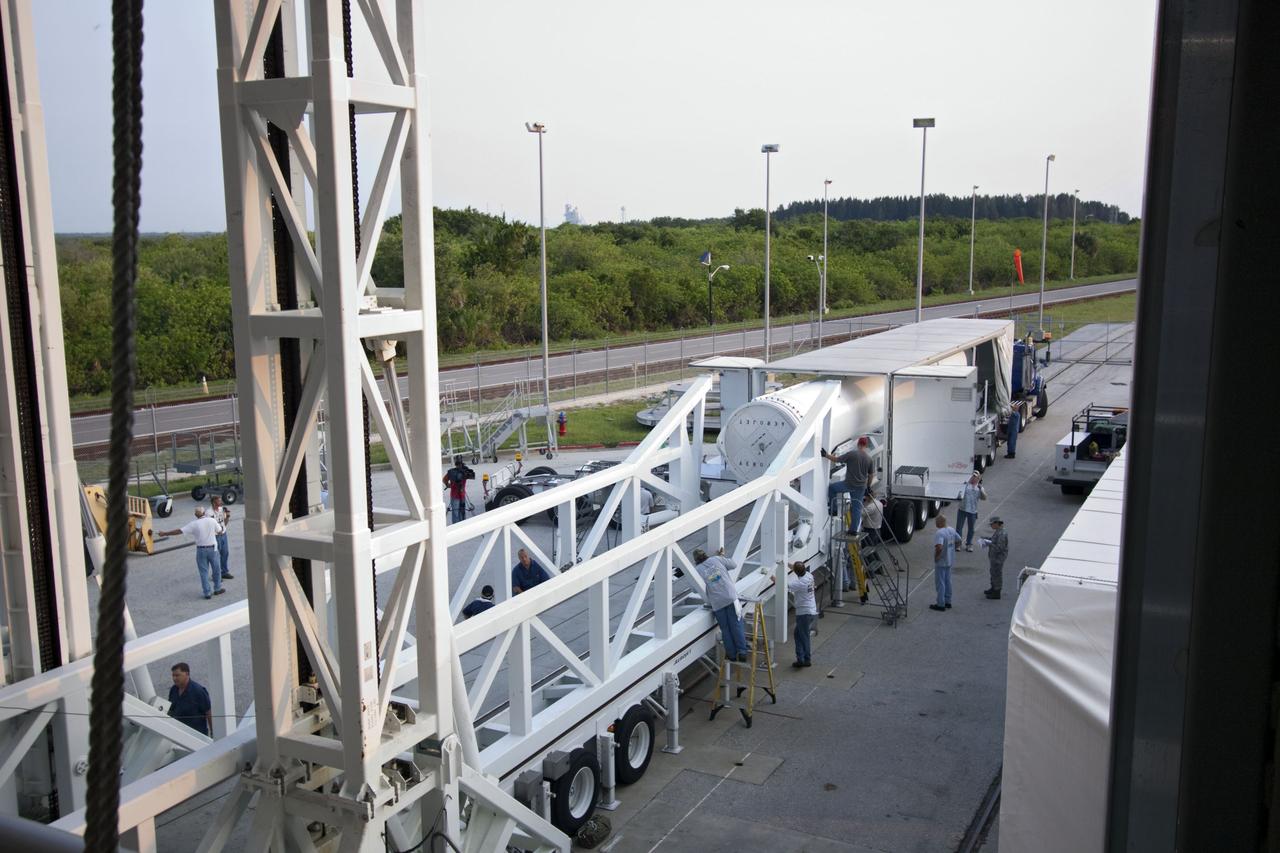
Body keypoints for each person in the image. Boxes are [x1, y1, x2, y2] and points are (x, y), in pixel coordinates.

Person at [693, 546, 749, 662]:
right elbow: (733, 565)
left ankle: (732, 655)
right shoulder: (716, 559)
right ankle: (742, 652)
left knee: (725, 629)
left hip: (717, 603)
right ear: (705, 554)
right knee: (736, 625)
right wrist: (721, 556)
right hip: (730, 597)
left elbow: (694, 589)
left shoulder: (697, 570)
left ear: (696, 560)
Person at [158, 507, 226, 600]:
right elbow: (220, 530)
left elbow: (179, 531)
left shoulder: (193, 524)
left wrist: (165, 533)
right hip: (213, 549)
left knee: (203, 572)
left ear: (195, 515)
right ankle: (217, 588)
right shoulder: (212, 520)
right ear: (204, 513)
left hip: (201, 550)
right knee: (216, 569)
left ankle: (207, 593)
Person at [822, 436, 874, 534]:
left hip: (848, 484)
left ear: (858, 444)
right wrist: (868, 486)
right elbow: (871, 475)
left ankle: (834, 510)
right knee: (857, 509)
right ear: (866, 445)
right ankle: (853, 530)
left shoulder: (852, 454)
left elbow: (837, 460)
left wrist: (825, 455)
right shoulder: (869, 459)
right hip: (860, 487)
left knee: (832, 488)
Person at [167, 662, 212, 736]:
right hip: (178, 733)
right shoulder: (173, 690)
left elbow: (208, 712)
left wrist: (213, 732)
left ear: (187, 674)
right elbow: (170, 710)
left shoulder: (198, 691)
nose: (174, 678)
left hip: (197, 735)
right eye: (173, 675)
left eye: (177, 675)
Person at [929, 514, 963, 612]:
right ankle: (948, 601)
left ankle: (940, 604)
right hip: (950, 559)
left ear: (940, 522)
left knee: (940, 583)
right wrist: (953, 549)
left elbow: (939, 547)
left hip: (942, 561)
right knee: (948, 581)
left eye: (936, 522)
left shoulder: (940, 533)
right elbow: (959, 540)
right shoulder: (951, 530)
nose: (935, 523)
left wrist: (937, 557)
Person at [786, 561, 817, 668]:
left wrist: (770, 576)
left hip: (804, 613)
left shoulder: (800, 583)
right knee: (798, 634)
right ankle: (801, 658)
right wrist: (784, 562)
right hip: (810, 610)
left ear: (796, 572)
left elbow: (784, 585)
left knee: (803, 636)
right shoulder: (809, 575)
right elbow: (795, 568)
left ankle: (805, 659)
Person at [956, 472, 988, 552]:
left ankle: (969, 544)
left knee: (971, 529)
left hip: (973, 511)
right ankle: (958, 544)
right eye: (972, 476)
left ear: (978, 478)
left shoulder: (979, 488)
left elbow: (984, 498)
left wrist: (981, 490)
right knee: (959, 527)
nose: (973, 478)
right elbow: (958, 493)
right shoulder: (965, 485)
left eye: (975, 477)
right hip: (962, 509)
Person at [981, 517, 1010, 599]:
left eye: (992, 524)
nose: (991, 526)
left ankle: (997, 592)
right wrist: (987, 539)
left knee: (997, 573)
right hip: (994, 557)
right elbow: (995, 541)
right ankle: (993, 588)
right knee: (993, 572)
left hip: (998, 558)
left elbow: (999, 548)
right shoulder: (999, 531)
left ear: (997, 523)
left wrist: (989, 543)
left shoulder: (1002, 534)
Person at [209, 495, 234, 580]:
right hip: (215, 536)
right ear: (214, 502)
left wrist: (228, 516)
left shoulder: (221, 509)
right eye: (219, 501)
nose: (221, 502)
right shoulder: (208, 513)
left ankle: (224, 572)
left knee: (225, 553)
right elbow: (209, 526)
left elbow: (224, 523)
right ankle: (216, 575)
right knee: (216, 556)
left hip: (223, 534)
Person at [443, 457, 475, 523]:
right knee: (459, 512)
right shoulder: (457, 472)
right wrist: (448, 485)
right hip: (457, 495)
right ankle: (460, 525)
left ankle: (458, 525)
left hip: (458, 495)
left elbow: (444, 479)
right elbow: (444, 479)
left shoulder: (452, 472)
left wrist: (448, 485)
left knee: (457, 512)